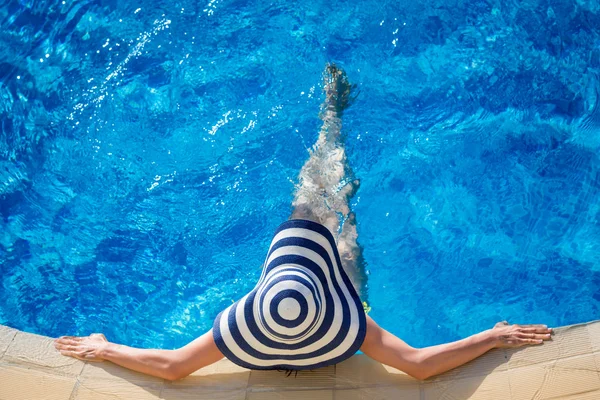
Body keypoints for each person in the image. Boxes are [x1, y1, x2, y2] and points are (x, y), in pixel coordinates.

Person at [54, 64, 552, 381]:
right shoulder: (354, 327)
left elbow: (171, 367)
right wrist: (488, 337)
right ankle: (331, 122)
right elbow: (420, 367)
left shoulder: (250, 326)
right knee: (335, 217)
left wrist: (105, 347)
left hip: (303, 331)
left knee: (318, 210)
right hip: (335, 316)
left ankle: (331, 127)